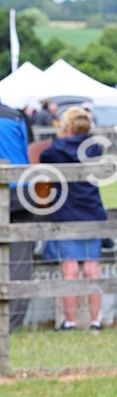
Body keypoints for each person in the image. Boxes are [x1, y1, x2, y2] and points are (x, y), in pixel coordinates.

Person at [40, 106, 107, 330]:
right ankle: (96, 321)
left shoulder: (55, 149)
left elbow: (42, 158)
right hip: (92, 212)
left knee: (69, 271)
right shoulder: (94, 148)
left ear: (67, 126)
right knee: (92, 270)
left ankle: (69, 322)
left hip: (66, 212)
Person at [0, 100, 34, 330]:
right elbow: (28, 150)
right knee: (20, 260)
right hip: (20, 191)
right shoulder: (16, 116)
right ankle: (13, 321)